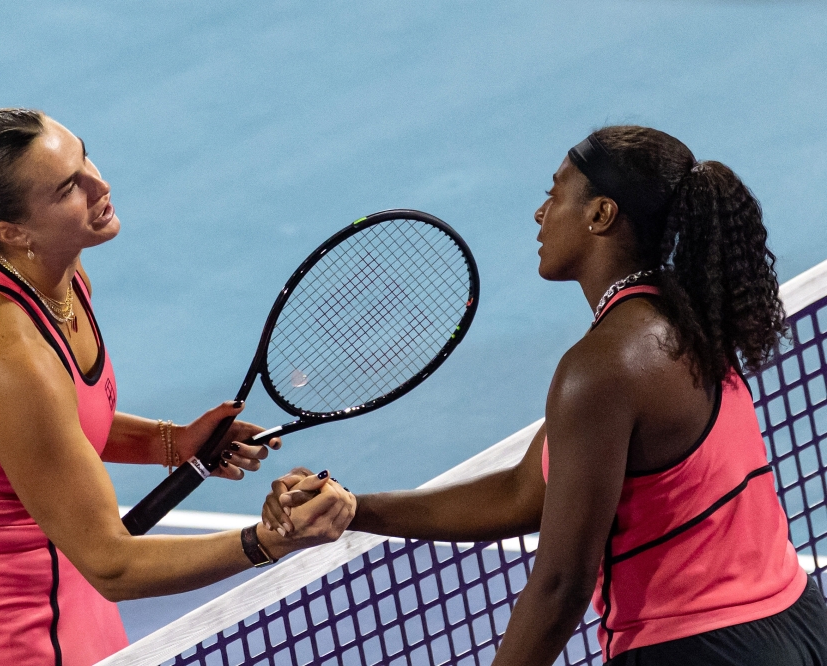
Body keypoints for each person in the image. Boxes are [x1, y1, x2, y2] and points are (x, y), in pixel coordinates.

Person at [264, 126, 827, 665]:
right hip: (799, 622)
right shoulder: (684, 318)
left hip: (698, 650)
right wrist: (355, 508)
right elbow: (525, 493)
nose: (540, 213)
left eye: (554, 195)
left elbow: (561, 585)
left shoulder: (604, 368)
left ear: (601, 214)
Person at [0, 108, 355, 666]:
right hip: (3, 634)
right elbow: (113, 566)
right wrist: (271, 540)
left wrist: (171, 442)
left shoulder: (47, 269)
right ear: (12, 231)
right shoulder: (6, 355)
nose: (100, 185)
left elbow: (49, 430)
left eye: (84, 158)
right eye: (68, 188)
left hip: (73, 598)